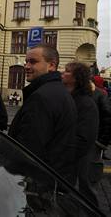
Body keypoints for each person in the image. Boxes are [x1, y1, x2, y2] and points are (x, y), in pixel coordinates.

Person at [8, 44, 77, 184]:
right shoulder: (57, 90)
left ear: (51, 65)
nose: (26, 66)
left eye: (33, 62)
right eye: (26, 61)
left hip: (39, 180)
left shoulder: (42, 97)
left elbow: (29, 149)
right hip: (53, 176)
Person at [62, 62, 99, 206]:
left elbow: (84, 139)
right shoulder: (67, 97)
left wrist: (63, 156)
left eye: (67, 71)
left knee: (82, 195)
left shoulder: (86, 103)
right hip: (66, 161)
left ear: (77, 78)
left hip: (77, 162)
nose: (63, 73)